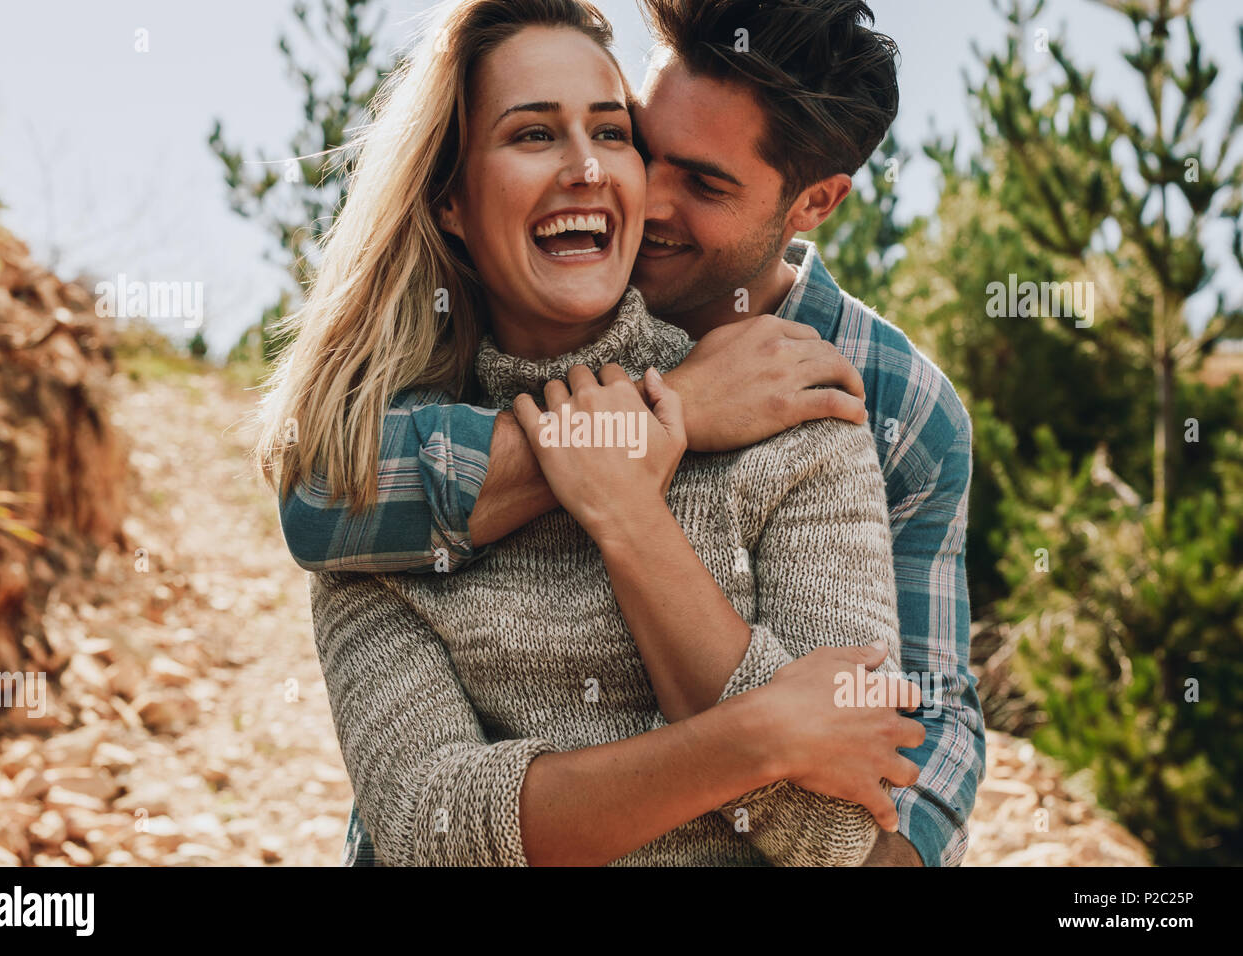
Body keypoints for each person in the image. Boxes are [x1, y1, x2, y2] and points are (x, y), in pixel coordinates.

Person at [275, 0, 985, 868]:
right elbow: (429, 822)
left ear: (815, 202)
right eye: (645, 146)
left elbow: (884, 791)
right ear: (450, 197)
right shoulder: (404, 422)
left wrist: (630, 509)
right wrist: (662, 413)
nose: (638, 198)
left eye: (705, 182)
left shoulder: (853, 408)